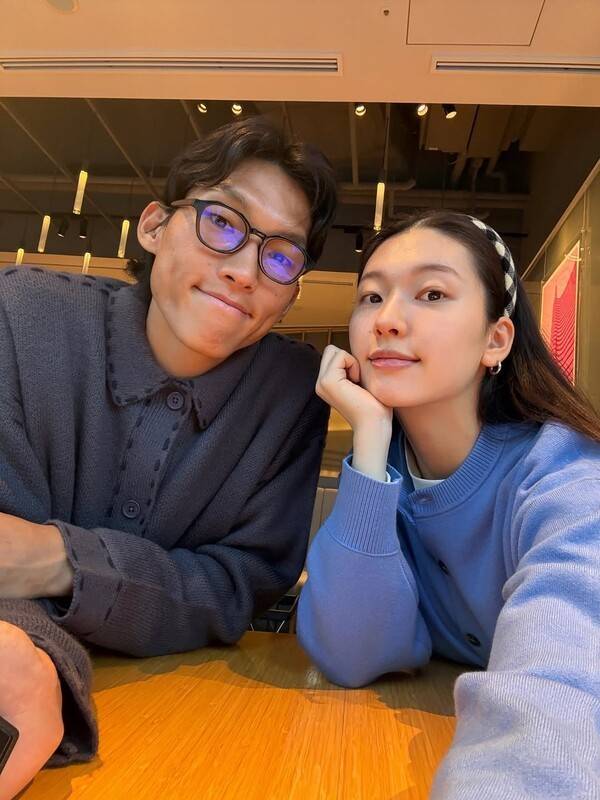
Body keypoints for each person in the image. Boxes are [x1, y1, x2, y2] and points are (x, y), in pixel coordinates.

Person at [0, 116, 337, 799]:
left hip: (196, 723)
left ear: (292, 292)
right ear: (154, 227)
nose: (243, 270)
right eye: (223, 223)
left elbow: (239, 585)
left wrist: (58, 558)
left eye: (280, 257)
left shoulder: (292, 396)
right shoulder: (21, 317)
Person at [297, 210, 600, 798]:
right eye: (371, 296)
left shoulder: (565, 474)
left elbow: (562, 690)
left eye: (432, 293)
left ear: (496, 339)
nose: (386, 319)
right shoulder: (384, 474)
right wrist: (369, 438)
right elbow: (352, 655)